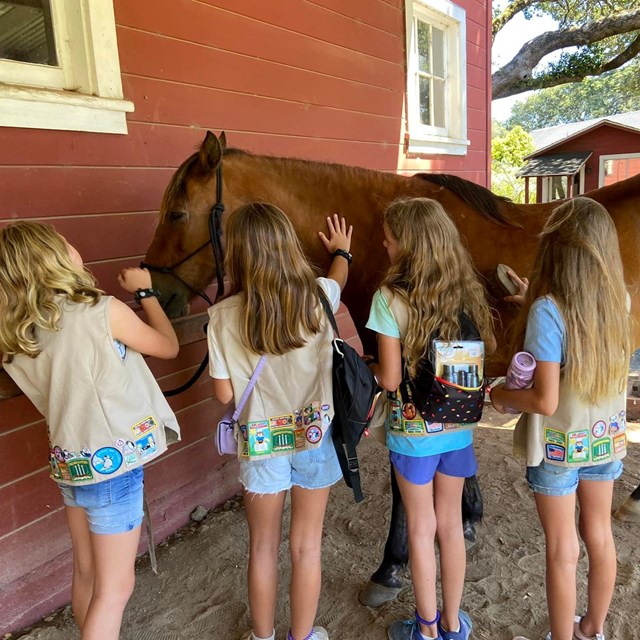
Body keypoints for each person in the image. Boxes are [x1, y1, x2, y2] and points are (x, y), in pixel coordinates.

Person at [0, 222, 181, 640]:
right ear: (52, 257)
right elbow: (167, 347)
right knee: (116, 589)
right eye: (62, 241)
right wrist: (147, 293)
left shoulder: (19, 334)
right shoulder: (100, 310)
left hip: (72, 464)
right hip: (113, 468)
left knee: (85, 575)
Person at [206, 204, 353, 640]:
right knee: (307, 545)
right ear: (288, 245)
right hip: (315, 436)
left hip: (261, 441)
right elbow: (338, 276)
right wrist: (342, 251)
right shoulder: (321, 294)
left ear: (237, 254)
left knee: (262, 546)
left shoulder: (221, 316)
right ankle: (303, 635)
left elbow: (224, 395)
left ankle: (263, 636)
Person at [490, 197, 631, 640]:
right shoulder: (619, 299)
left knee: (561, 549)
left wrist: (501, 396)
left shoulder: (547, 311)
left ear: (555, 247)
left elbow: (545, 400)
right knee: (600, 535)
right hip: (605, 438)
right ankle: (592, 628)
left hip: (559, 446)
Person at [366, 198, 495, 640]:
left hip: (414, 434)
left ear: (407, 244)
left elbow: (389, 378)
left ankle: (424, 629)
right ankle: (453, 623)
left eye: (389, 238)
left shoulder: (387, 299)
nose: (384, 244)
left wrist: (366, 368)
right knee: (450, 526)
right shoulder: (464, 291)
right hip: (458, 428)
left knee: (419, 529)